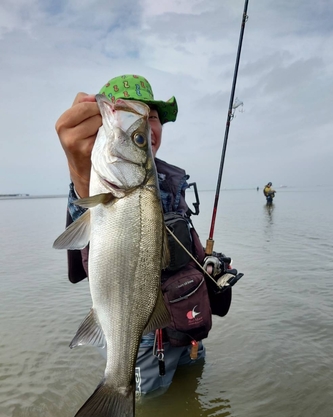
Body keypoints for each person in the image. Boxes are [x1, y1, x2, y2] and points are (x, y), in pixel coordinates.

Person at [55, 74, 241, 395]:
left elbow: (179, 238)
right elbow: (90, 223)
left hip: (187, 321)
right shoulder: (103, 180)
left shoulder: (171, 179)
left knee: (190, 389)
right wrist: (79, 170)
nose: (147, 127)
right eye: (133, 121)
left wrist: (206, 262)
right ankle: (119, 391)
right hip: (141, 331)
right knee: (149, 399)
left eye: (151, 119)